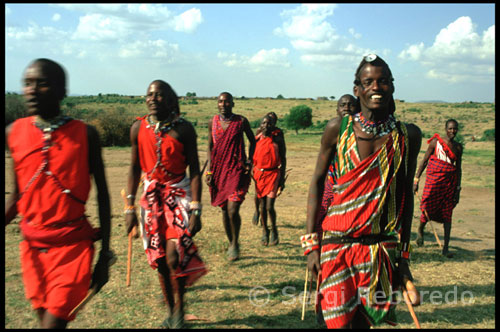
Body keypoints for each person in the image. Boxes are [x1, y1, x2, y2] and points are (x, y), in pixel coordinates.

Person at [304, 54, 422, 328]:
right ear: (357, 89)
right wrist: (311, 246)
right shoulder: (338, 129)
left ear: (392, 87)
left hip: (379, 249)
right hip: (336, 246)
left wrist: (403, 257)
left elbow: (405, 196)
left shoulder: (407, 136)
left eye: (382, 82)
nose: (375, 88)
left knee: (363, 325)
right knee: (333, 323)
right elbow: (317, 182)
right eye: (368, 82)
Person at [5, 58, 112, 329]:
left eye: (42, 83)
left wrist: (104, 258)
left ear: (62, 90)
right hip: (32, 250)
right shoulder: (14, 132)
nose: (31, 90)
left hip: (72, 249)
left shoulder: (85, 134)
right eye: (27, 83)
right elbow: (18, 196)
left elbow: (103, 197)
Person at [125, 80, 207, 328]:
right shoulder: (138, 128)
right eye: (149, 94)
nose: (152, 99)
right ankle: (170, 310)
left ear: (171, 101)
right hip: (151, 199)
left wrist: (196, 208)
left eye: (159, 95)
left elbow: (194, 171)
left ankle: (180, 310)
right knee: (159, 258)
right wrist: (129, 207)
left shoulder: (184, 130)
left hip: (179, 196)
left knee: (175, 256)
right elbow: (133, 168)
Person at [205, 92, 256, 261]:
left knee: (233, 209)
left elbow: (252, 141)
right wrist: (210, 171)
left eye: (227, 102)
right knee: (225, 210)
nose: (223, 104)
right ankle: (231, 242)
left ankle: (235, 242)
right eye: (220, 101)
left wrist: (250, 160)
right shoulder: (212, 122)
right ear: (217, 103)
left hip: (236, 169)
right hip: (219, 171)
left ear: (232, 104)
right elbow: (210, 148)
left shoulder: (241, 121)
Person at [413, 119, 462, 258]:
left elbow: (458, 169)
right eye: (450, 129)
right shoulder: (436, 143)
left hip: (449, 185)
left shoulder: (458, 148)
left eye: (455, 129)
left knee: (447, 214)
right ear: (446, 129)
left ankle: (445, 248)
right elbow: (424, 162)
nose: (453, 131)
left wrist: (457, 189)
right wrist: (416, 180)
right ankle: (420, 231)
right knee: (427, 208)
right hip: (434, 182)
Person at [252, 114, 287, 246]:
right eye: (264, 123)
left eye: (269, 124)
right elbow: (252, 155)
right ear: (260, 125)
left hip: (273, 175)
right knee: (262, 206)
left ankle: (274, 230)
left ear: (273, 126)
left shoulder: (278, 139)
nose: (266, 126)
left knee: (269, 206)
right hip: (259, 175)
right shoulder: (257, 138)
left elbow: (283, 159)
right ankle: (265, 231)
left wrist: (282, 180)